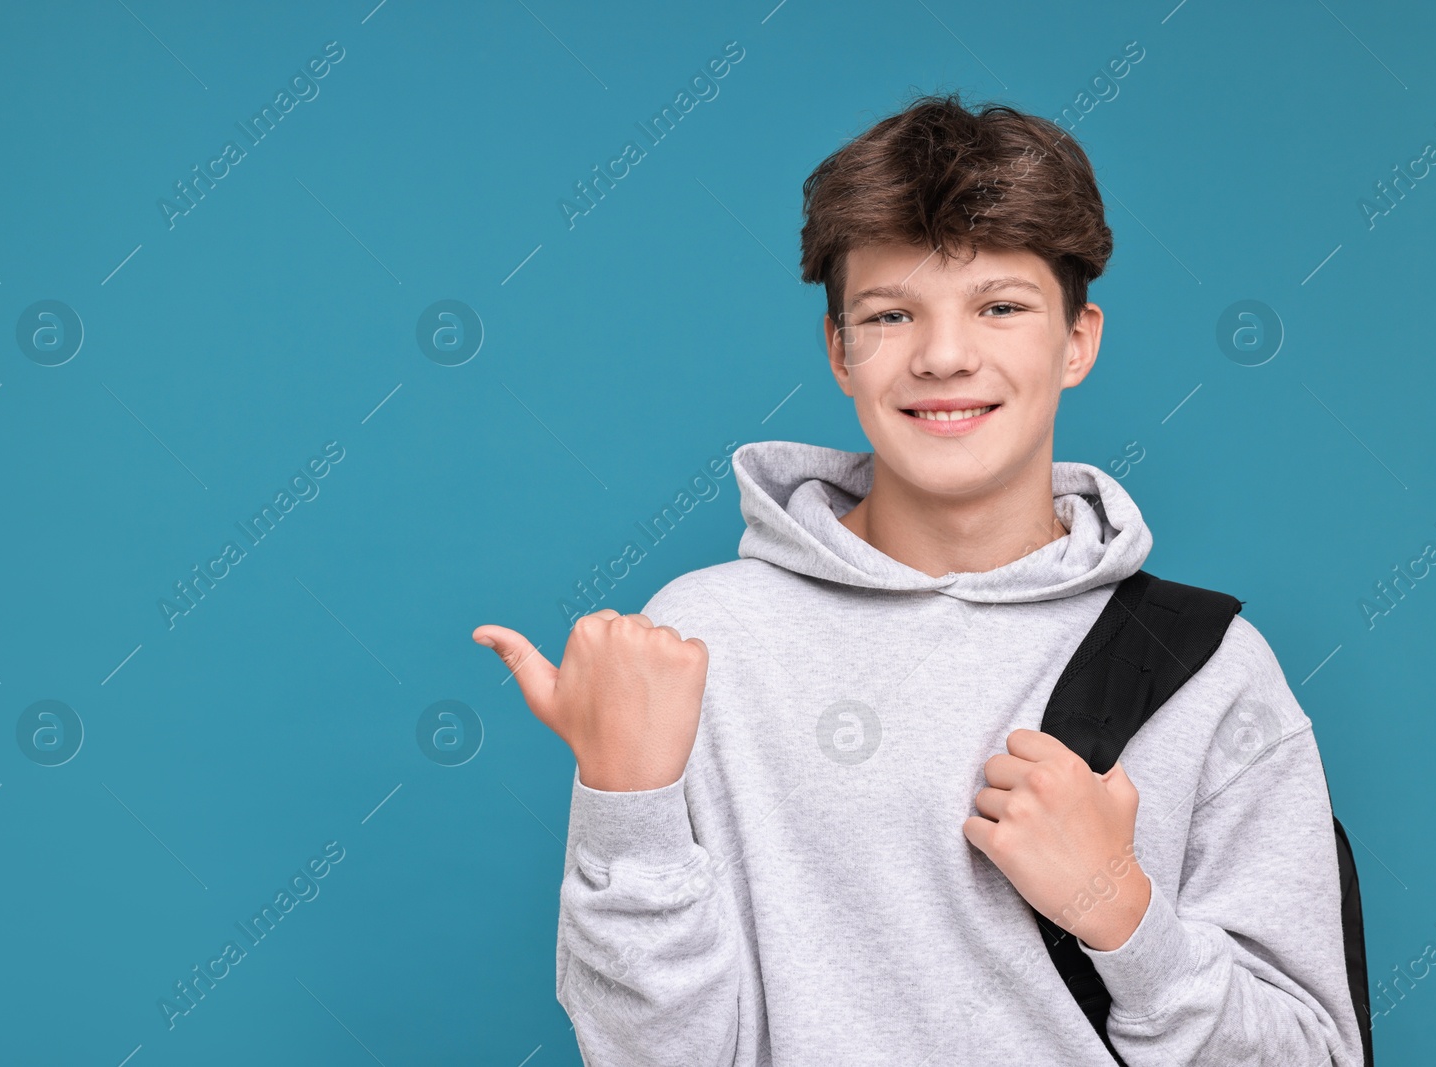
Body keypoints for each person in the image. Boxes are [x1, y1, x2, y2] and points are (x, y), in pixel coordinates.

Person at [472, 91, 1364, 1066]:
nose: (944, 355)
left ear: (1076, 340)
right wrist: (626, 799)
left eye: (1000, 306)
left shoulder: (1204, 670)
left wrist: (1121, 908)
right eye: (890, 313)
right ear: (838, 350)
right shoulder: (695, 645)